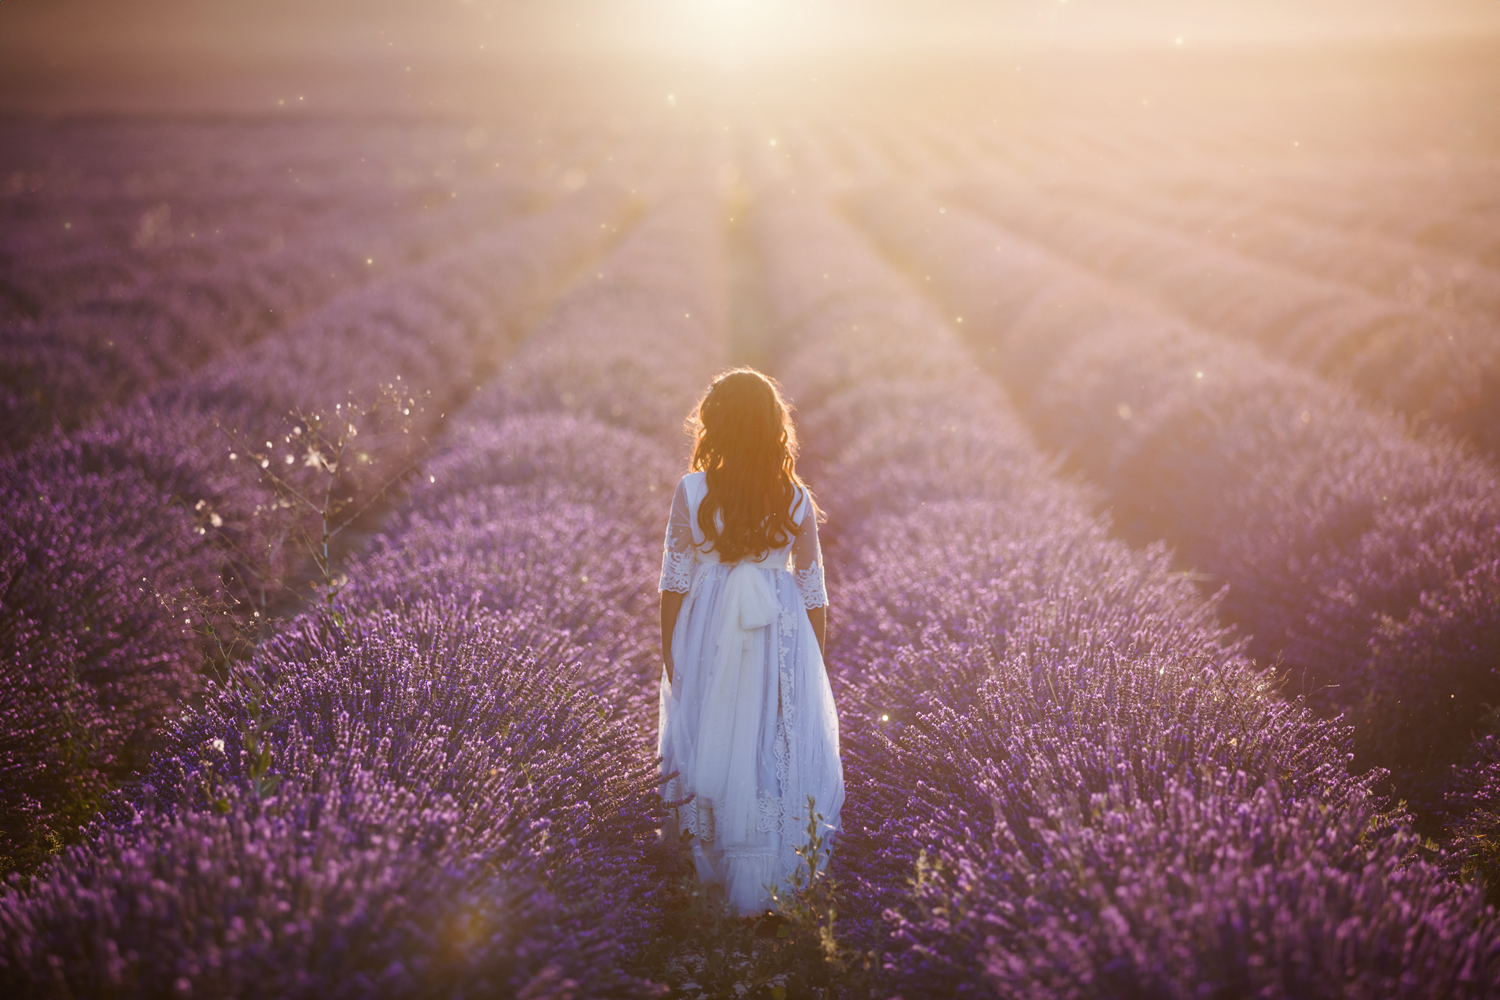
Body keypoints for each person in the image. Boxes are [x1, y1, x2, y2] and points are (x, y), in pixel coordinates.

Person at [657, 367, 844, 916]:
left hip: (709, 626)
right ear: (772, 428)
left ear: (714, 425)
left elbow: (674, 580)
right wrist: (812, 666)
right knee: (767, 740)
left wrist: (671, 651)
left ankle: (709, 876)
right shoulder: (795, 497)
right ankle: (766, 882)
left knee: (713, 732)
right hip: (776, 630)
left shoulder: (691, 491)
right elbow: (813, 591)